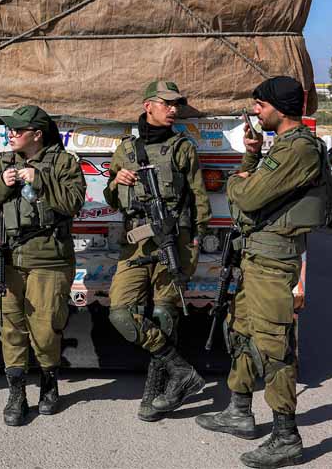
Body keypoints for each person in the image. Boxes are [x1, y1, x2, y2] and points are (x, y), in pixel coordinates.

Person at [196, 76, 330, 469]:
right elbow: (253, 191)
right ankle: (239, 410)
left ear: (279, 108)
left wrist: (240, 181)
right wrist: (251, 156)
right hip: (257, 257)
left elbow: (249, 197)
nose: (256, 112)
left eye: (260, 105)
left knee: (274, 344)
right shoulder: (282, 147)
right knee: (242, 332)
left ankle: (286, 435)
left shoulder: (299, 149)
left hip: (274, 260)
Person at [101, 81, 212, 422]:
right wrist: (117, 182)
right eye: (167, 104)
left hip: (172, 241)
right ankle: (180, 369)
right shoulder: (127, 150)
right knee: (120, 312)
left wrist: (195, 240)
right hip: (136, 242)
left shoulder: (182, 147)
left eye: (177, 104)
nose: (174, 109)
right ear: (149, 106)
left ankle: (154, 393)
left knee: (164, 317)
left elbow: (198, 197)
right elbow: (108, 196)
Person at [0, 105, 86, 426]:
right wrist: (0, 185)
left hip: (49, 258)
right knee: (10, 326)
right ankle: (17, 392)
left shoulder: (64, 163)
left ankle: (49, 383)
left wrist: (43, 179)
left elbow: (74, 202)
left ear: (37, 134)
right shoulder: (0, 165)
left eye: (18, 130)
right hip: (6, 258)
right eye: (9, 129)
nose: (11, 134)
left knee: (46, 327)